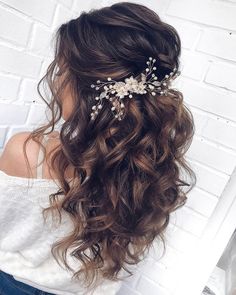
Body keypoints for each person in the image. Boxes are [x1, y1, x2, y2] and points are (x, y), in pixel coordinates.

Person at [0, 1, 197, 294]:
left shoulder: (27, 152)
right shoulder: (154, 166)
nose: (57, 83)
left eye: (62, 70)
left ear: (87, 88)